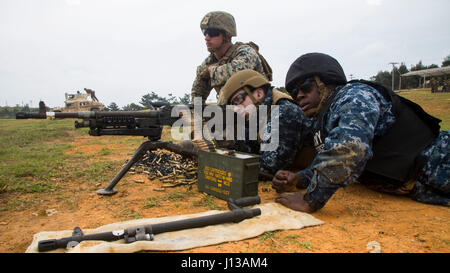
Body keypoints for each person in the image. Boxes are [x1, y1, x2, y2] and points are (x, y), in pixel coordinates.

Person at [272, 52, 449, 212]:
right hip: (423, 186)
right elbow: (328, 157)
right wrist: (300, 178)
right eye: (294, 93)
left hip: (439, 162)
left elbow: (349, 148)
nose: (299, 96)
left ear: (324, 82)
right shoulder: (323, 118)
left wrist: (311, 199)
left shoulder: (353, 96)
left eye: (305, 87)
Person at [218, 69, 315, 175]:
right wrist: (233, 142)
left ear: (259, 93)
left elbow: (270, 167)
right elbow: (253, 150)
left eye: (238, 101)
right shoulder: (258, 113)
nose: (236, 109)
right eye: (233, 105)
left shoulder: (284, 111)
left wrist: (225, 161)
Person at [191, 11, 272, 104]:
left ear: (227, 36)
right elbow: (197, 93)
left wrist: (211, 71)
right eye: (204, 32)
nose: (207, 37)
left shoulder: (246, 53)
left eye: (212, 32)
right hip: (237, 111)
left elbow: (237, 73)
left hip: (262, 108)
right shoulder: (209, 62)